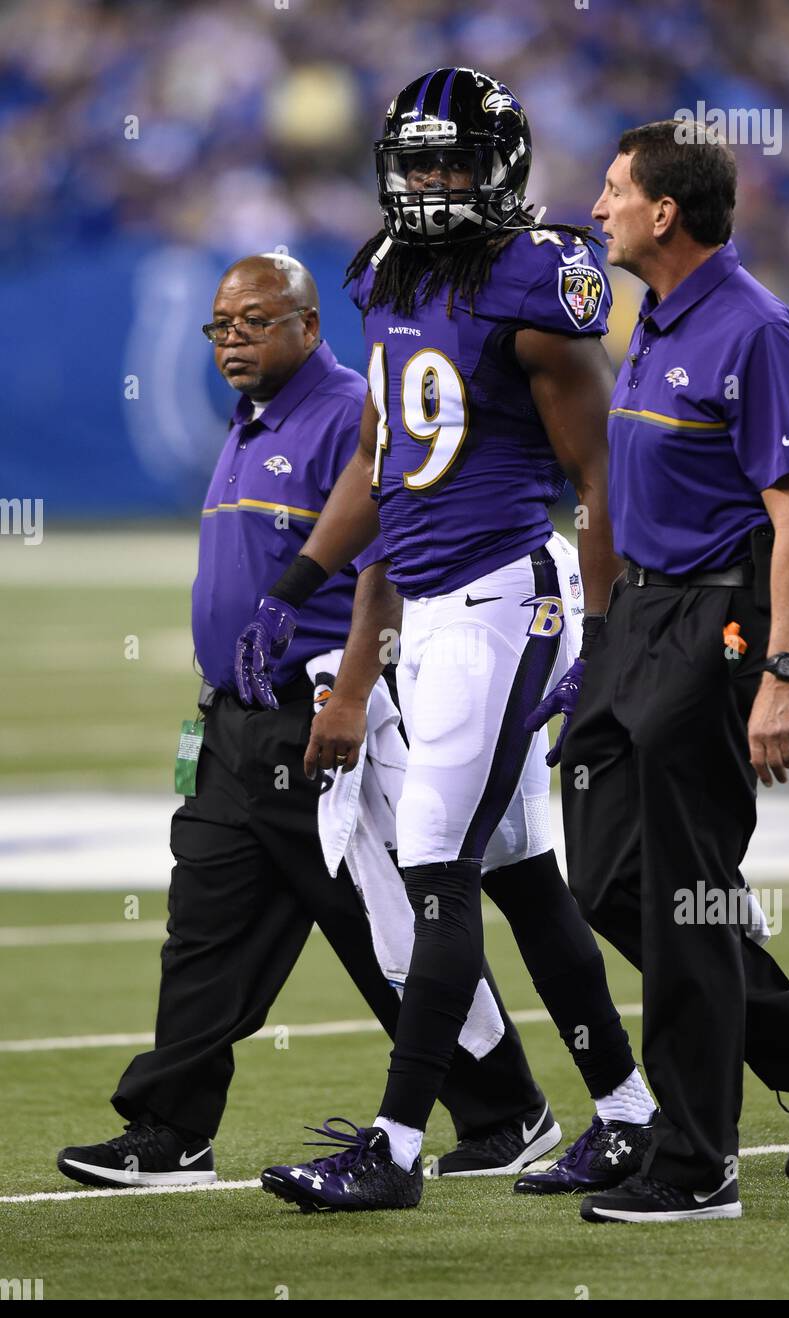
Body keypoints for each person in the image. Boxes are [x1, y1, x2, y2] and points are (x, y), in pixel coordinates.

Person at [56, 252, 570, 1189]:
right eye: (220, 326)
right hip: (236, 727)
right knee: (204, 929)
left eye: (255, 321)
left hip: (324, 720)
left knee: (393, 932)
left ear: (309, 324)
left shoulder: (345, 410)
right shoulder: (252, 416)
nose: (233, 340)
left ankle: (506, 1108)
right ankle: (171, 1132)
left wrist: (348, 693)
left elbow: (385, 556)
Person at [240, 68, 657, 1216]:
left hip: (502, 598)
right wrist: (302, 581)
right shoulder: (384, 275)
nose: (428, 182)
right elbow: (386, 468)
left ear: (499, 169)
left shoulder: (533, 283)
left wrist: (610, 632)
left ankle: (394, 1146)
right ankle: (625, 1113)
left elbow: (597, 473)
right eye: (414, 162)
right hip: (430, 607)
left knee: (434, 864)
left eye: (450, 162)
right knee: (522, 871)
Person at [551, 121, 789, 1223]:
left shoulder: (755, 328)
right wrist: (594, 635)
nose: (596, 207)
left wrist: (780, 672)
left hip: (714, 624)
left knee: (687, 897)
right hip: (636, 618)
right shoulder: (656, 312)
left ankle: (696, 1165)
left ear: (663, 213)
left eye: (612, 189)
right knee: (601, 877)